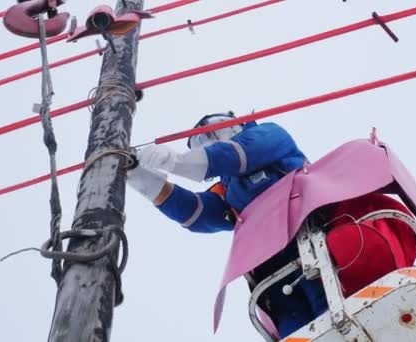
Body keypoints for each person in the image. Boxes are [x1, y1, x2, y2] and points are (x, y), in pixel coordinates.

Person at [126, 111, 327, 337]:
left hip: (312, 242)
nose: (212, 139)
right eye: (201, 141)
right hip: (272, 271)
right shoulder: (230, 190)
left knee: (326, 302)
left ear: (236, 123)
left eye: (215, 129)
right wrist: (139, 176)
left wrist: (175, 161)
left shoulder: (269, 136)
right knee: (294, 324)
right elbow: (195, 212)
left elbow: (238, 155)